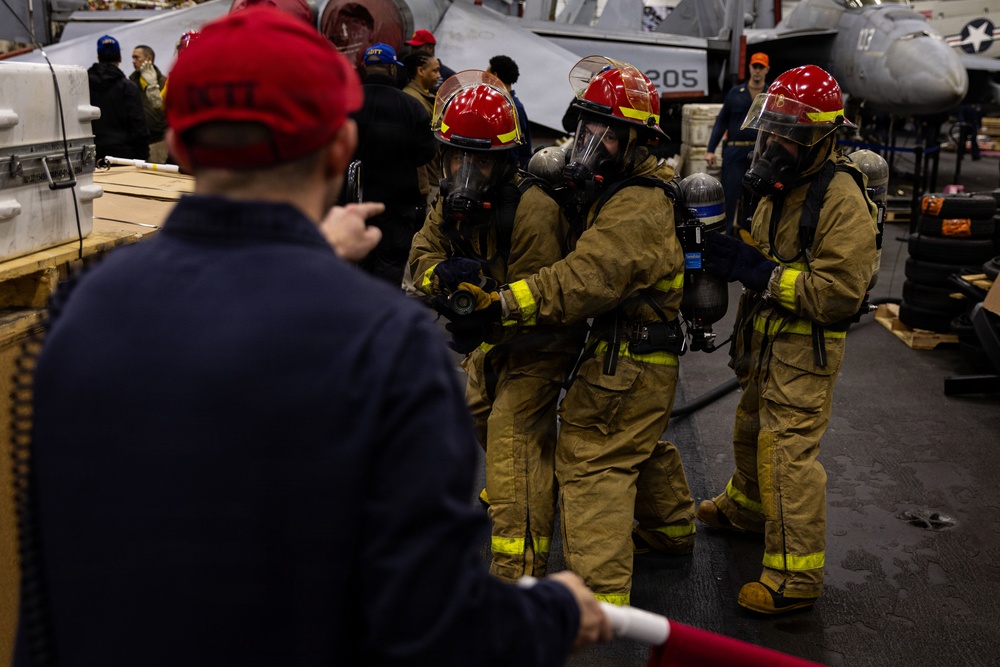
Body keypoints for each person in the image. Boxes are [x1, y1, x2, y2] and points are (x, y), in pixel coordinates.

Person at [12, 8, 611, 665]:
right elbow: (435, 624)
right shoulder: (386, 346)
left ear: (180, 146)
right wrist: (555, 612)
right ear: (336, 149)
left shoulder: (81, 312)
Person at [439, 56, 698, 606]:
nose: (587, 143)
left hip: (632, 357)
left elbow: (582, 280)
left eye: (605, 134)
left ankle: (602, 604)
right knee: (629, 443)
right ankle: (670, 529)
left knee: (591, 458)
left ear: (638, 142)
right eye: (585, 128)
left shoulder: (638, 205)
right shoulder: (618, 189)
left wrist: (501, 305)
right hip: (619, 352)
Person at [696, 64, 877, 615]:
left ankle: (795, 576)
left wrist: (758, 271)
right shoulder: (784, 184)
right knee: (750, 427)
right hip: (766, 343)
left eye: (787, 133)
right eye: (770, 127)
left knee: (787, 456)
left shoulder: (841, 197)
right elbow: (769, 247)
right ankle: (748, 509)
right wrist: (737, 250)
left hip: (805, 352)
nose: (772, 141)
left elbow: (839, 293)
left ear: (820, 137)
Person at [408, 71, 585, 583]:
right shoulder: (447, 201)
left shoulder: (533, 209)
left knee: (512, 439)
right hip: (492, 340)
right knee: (474, 413)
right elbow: (421, 255)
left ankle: (517, 570)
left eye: (480, 159)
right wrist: (441, 273)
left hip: (538, 340)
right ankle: (530, 486)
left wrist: (485, 305)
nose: (466, 170)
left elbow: (539, 298)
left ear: (503, 161)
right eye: (457, 156)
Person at [351, 42, 437, 287]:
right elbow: (427, 153)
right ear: (391, 69)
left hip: (355, 205)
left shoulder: (346, 103)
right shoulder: (411, 106)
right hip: (397, 207)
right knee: (390, 268)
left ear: (367, 68)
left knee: (358, 267)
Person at [705, 51, 770, 234]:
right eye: (754, 66)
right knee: (729, 196)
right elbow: (721, 121)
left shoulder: (771, 95)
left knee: (753, 199)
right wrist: (711, 149)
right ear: (749, 68)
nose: (757, 71)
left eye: (761, 67)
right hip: (734, 152)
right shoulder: (736, 93)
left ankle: (747, 239)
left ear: (767, 69)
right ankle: (723, 236)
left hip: (758, 154)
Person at [88, 34, 149, 161]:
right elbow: (139, 128)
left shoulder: (83, 85)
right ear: (120, 57)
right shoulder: (128, 87)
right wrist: (141, 158)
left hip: (92, 157)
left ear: (98, 57)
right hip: (124, 158)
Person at [402, 51, 442, 207]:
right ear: (420, 71)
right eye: (434, 70)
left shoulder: (423, 98)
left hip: (433, 176)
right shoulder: (413, 101)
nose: (439, 75)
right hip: (427, 181)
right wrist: (424, 187)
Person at [487, 55, 532, 170]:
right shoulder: (501, 105)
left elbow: (516, 149)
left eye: (487, 73)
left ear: (495, 75)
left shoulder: (514, 109)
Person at [129, 45, 167, 163]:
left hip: (158, 141)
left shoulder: (163, 82)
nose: (133, 61)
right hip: (137, 142)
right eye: (133, 58)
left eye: (137, 57)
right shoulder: (130, 83)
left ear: (149, 59)